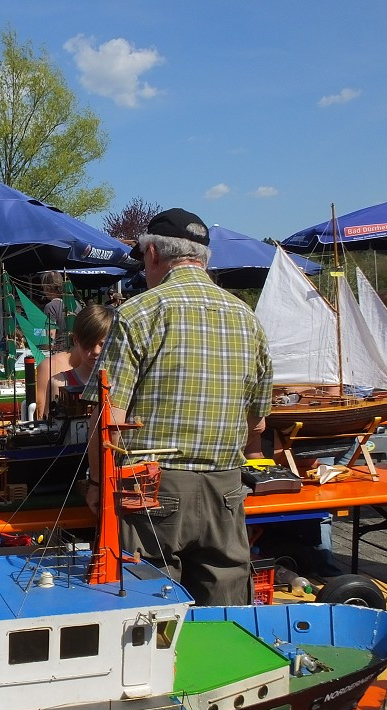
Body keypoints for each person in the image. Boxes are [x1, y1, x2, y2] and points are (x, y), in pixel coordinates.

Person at [83, 208, 273, 607]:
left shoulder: (138, 313)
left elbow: (107, 420)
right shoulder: (247, 318)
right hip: (225, 487)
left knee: (150, 610)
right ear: (205, 257)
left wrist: (97, 486)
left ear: (153, 254)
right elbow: (257, 423)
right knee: (225, 614)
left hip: (153, 487)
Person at [38, 304, 115, 419]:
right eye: (88, 344)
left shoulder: (123, 379)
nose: (96, 351)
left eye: (102, 344)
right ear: (76, 341)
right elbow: (51, 428)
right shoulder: (59, 383)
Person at [40, 270, 79, 352]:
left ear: (47, 287)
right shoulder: (76, 304)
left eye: (43, 288)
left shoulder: (50, 307)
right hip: (77, 351)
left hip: (60, 352)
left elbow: (50, 336)